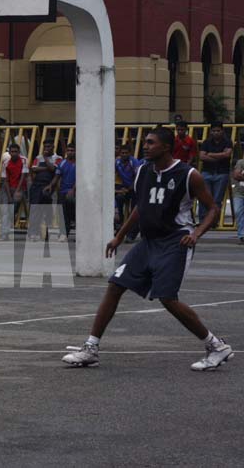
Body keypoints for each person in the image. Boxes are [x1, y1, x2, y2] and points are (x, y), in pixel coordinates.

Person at [62, 127, 234, 371]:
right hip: (148, 242)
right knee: (115, 285)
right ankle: (90, 348)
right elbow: (140, 208)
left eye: (151, 142)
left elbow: (213, 209)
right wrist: (119, 236)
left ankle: (216, 346)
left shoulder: (188, 175)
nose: (145, 146)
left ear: (165, 147)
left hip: (176, 241)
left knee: (167, 298)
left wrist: (196, 234)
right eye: (145, 142)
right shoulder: (143, 170)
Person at [198, 121, 233, 223]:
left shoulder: (227, 142)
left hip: (222, 173)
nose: (216, 133)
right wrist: (219, 156)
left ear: (222, 131)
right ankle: (203, 221)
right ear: (211, 132)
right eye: (214, 131)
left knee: (217, 200)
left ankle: (213, 221)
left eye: (218, 130)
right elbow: (201, 156)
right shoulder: (206, 142)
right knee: (204, 197)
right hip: (207, 172)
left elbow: (227, 155)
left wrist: (210, 154)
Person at [28, 140, 62, 241]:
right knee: (35, 209)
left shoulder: (58, 158)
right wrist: (46, 168)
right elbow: (33, 169)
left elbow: (54, 169)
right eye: (45, 147)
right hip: (36, 186)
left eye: (49, 146)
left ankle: (46, 234)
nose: (46, 149)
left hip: (49, 186)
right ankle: (34, 233)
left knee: (47, 210)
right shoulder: (38, 157)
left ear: (53, 147)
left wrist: (46, 159)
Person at [0, 143, 28, 241]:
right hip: (7, 188)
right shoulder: (6, 162)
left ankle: (8, 228)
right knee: (5, 211)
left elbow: (23, 177)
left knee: (12, 210)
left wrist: (17, 191)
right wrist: (9, 195)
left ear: (19, 152)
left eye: (16, 152)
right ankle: (4, 234)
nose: (14, 153)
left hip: (19, 187)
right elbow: (5, 179)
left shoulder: (24, 160)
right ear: (9, 152)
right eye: (12, 152)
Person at [115, 144, 141, 241]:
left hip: (134, 188)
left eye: (126, 153)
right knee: (118, 200)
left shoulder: (134, 162)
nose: (124, 155)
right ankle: (119, 225)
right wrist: (119, 189)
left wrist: (129, 189)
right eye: (122, 153)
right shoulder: (117, 162)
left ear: (130, 154)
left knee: (134, 211)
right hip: (123, 188)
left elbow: (138, 178)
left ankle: (131, 234)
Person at [52, 142, 76, 241]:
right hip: (64, 191)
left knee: (75, 213)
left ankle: (80, 234)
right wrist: (51, 186)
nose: (70, 152)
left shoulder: (80, 163)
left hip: (76, 192)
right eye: (68, 150)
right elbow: (57, 177)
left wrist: (73, 189)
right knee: (62, 212)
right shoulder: (62, 163)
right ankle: (63, 233)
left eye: (72, 150)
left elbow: (80, 178)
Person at [232, 140, 244, 245]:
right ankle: (242, 235)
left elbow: (240, 176)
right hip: (239, 192)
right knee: (238, 212)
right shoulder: (241, 162)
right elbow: (236, 175)